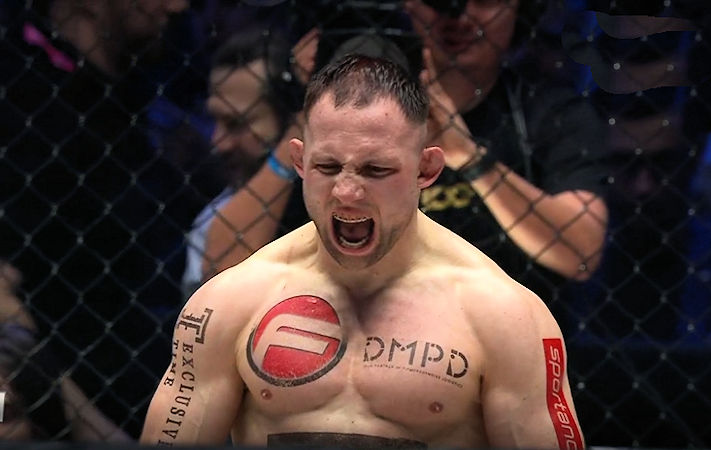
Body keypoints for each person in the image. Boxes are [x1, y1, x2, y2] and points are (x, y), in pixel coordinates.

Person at [140, 53, 584, 449]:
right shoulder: (232, 301)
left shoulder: (504, 316)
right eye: (327, 166)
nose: (347, 192)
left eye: (376, 169)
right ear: (300, 162)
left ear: (426, 169)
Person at [0, 0, 198, 438]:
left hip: (158, 394)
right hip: (58, 406)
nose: (179, 6)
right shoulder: (23, 101)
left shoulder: (146, 96)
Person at [403, 0, 610, 307]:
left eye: (485, 0)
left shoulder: (552, 112)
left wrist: (472, 160)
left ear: (518, 9)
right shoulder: (369, 107)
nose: (460, 17)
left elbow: (581, 253)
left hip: (516, 323)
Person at [182, 26, 316, 297]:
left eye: (236, 123)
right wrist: (298, 131)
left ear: (284, 114)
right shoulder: (214, 221)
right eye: (215, 120)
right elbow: (222, 299)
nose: (218, 142)